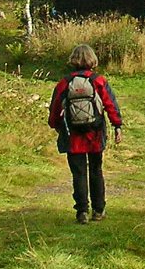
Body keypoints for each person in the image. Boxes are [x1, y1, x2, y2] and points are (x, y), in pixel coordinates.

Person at [48, 44, 123, 224]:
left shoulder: (64, 83)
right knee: (96, 170)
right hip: (95, 134)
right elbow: (110, 105)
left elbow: (55, 109)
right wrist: (117, 125)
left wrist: (56, 126)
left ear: (73, 60)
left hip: (73, 136)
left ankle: (82, 212)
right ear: (92, 60)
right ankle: (98, 210)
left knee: (78, 173)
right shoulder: (98, 81)